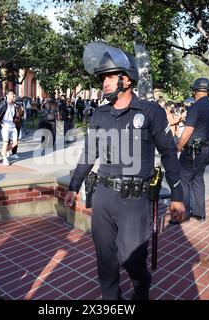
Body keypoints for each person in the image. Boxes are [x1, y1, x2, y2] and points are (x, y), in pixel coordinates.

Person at [64, 42, 185, 300]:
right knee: (105, 260)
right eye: (103, 78)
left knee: (132, 260)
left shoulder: (151, 113)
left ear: (127, 80)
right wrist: (74, 186)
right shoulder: (99, 114)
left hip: (134, 200)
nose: (105, 82)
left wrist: (177, 195)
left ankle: (140, 294)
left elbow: (168, 153)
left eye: (110, 76)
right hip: (104, 196)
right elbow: (89, 154)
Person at [176, 78, 209, 222]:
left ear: (194, 92)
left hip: (192, 150)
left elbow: (188, 131)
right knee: (198, 178)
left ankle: (185, 214)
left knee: (184, 179)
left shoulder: (195, 107)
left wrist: (177, 147)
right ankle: (200, 213)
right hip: (206, 149)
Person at [0, 90, 19, 165]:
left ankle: (3, 152)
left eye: (14, 95)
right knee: (5, 142)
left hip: (13, 126)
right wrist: (2, 125)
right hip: (5, 126)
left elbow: (15, 115)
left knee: (15, 143)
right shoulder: (3, 104)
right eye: (11, 95)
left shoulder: (15, 105)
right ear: (7, 96)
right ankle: (5, 159)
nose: (13, 96)